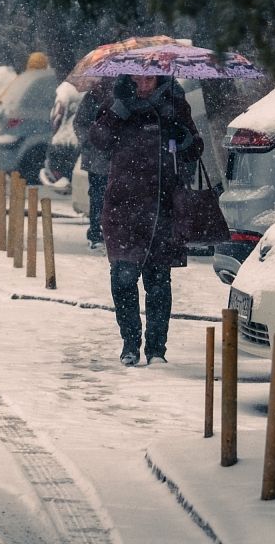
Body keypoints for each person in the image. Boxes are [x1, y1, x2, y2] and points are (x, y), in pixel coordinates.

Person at [90, 73, 203, 366]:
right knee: (123, 278)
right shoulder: (116, 101)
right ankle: (130, 343)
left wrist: (184, 136)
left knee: (158, 281)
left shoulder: (174, 102)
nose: (143, 82)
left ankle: (156, 349)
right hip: (122, 207)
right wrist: (118, 112)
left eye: (149, 76)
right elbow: (98, 141)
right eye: (138, 76)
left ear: (160, 76)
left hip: (162, 206)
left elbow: (195, 149)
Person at [73, 78, 113, 250]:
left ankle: (108, 231)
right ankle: (96, 231)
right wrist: (90, 140)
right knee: (97, 196)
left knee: (109, 196)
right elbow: (79, 123)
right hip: (96, 158)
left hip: (112, 157)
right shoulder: (90, 99)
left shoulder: (119, 97)